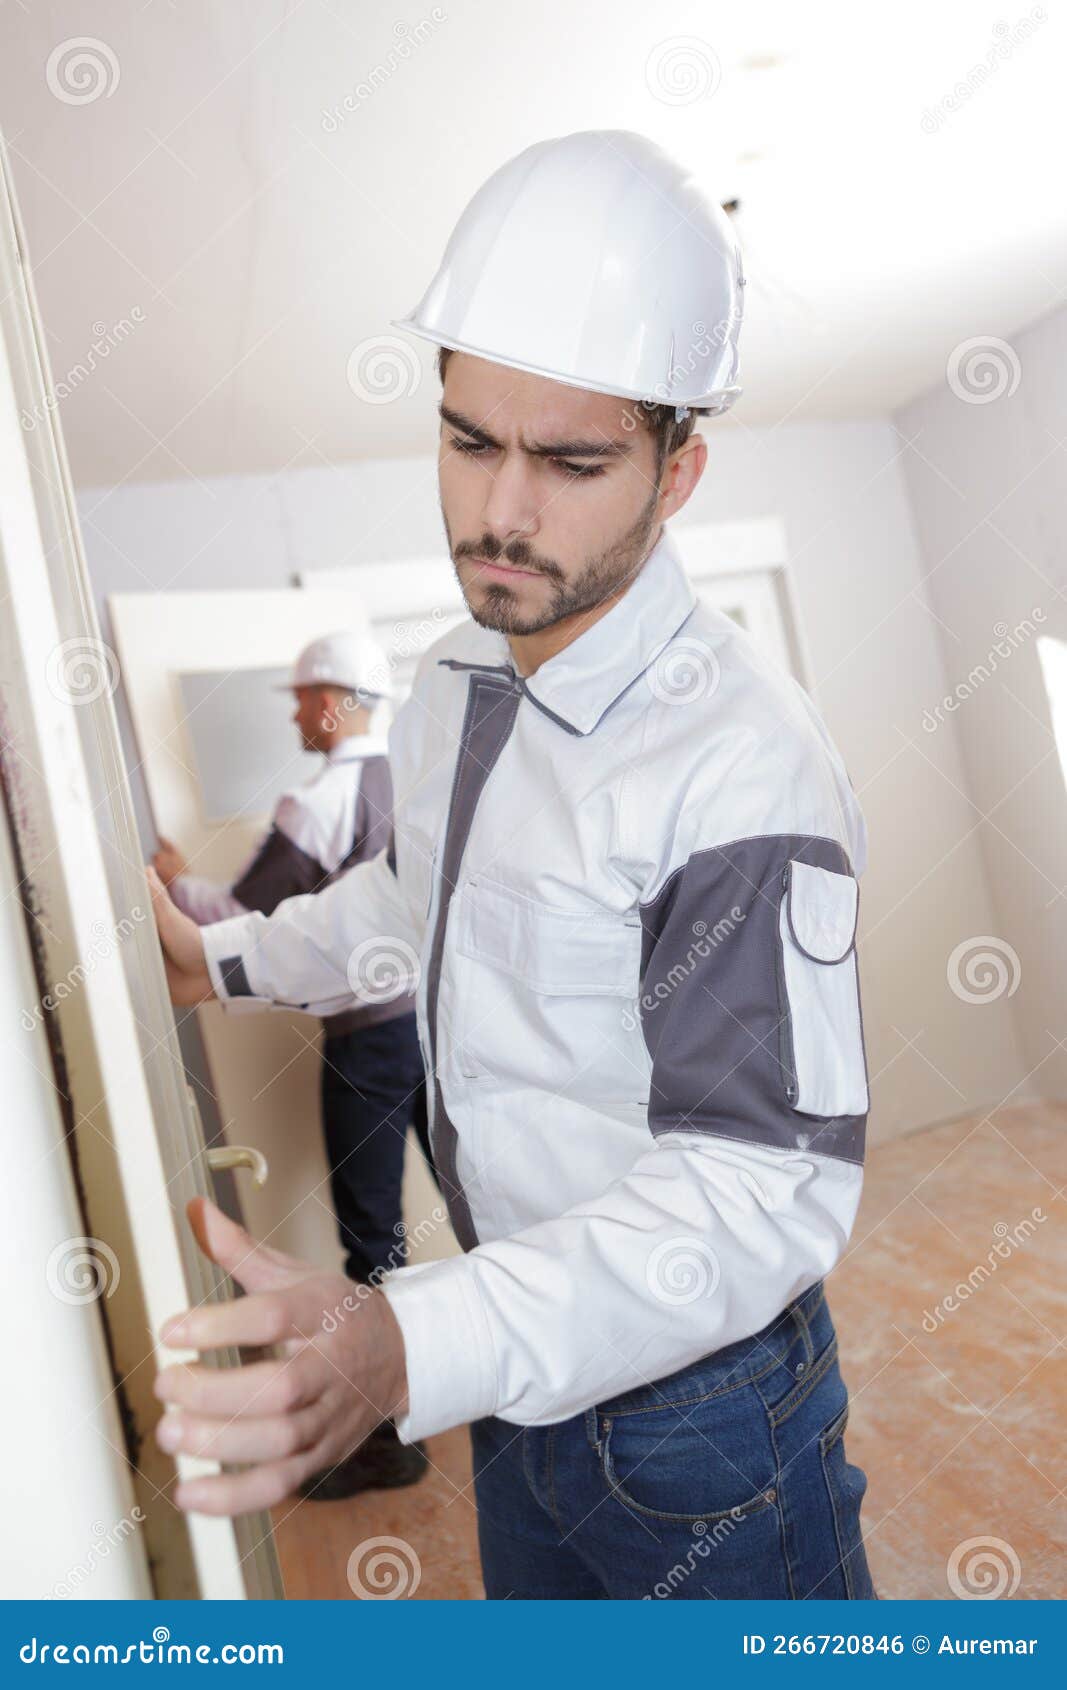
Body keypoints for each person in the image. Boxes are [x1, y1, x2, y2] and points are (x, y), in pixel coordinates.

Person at [148, 130, 877, 1600]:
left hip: (702, 1416)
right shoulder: (454, 684)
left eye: (572, 460)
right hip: (513, 1372)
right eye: (469, 438)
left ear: (678, 472)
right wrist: (214, 954)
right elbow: (411, 902)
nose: (500, 515)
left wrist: (409, 1340)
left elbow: (759, 1186)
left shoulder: (737, 756)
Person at [152, 630, 429, 1499]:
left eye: (302, 696)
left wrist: (169, 881)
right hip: (438, 1023)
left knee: (369, 1233)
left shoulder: (321, 801)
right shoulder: (418, 781)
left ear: (333, 698)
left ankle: (386, 1440)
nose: (297, 712)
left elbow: (234, 919)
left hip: (369, 1038)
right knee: (477, 1198)